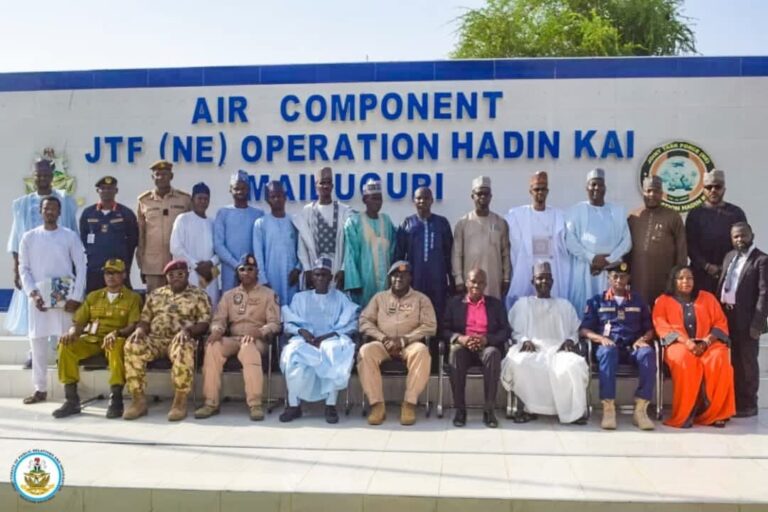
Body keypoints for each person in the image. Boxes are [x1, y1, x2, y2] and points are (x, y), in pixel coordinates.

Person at [6, 159, 78, 368]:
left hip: (58, 267)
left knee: (58, 309)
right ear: (34, 176)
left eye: (47, 174)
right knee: (35, 310)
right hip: (33, 268)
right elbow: (16, 239)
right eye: (39, 174)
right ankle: (33, 355)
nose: (43, 178)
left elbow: (73, 233)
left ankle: (58, 352)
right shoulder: (21, 204)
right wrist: (16, 269)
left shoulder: (64, 199)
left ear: (53, 176)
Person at [194, 254, 280, 421]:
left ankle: (255, 404)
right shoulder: (229, 295)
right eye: (242, 269)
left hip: (257, 340)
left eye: (250, 269)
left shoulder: (268, 294)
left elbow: (275, 323)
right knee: (212, 346)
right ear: (237, 273)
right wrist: (217, 330)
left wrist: (259, 332)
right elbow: (219, 319)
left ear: (257, 272)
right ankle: (210, 402)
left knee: (248, 348)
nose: (246, 272)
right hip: (234, 338)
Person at [122, 260, 211, 421]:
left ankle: (180, 401)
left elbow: (204, 323)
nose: (176, 278)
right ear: (166, 277)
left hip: (181, 339)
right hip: (155, 339)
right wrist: (140, 330)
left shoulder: (199, 295)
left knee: (184, 348)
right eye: (171, 275)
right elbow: (145, 319)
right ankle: (138, 399)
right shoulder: (156, 294)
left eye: (180, 274)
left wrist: (188, 331)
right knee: (132, 344)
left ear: (187, 275)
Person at [18, 195, 86, 404]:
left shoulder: (69, 236)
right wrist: (32, 293)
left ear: (59, 212)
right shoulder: (29, 237)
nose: (50, 212)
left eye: (54, 209)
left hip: (65, 299)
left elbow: (81, 266)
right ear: (41, 211)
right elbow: (24, 268)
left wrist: (76, 296)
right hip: (39, 299)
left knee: (66, 342)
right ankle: (40, 389)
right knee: (37, 343)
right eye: (46, 208)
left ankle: (69, 387)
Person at [53, 259, 142, 419]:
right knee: (65, 345)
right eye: (108, 273)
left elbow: (133, 325)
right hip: (92, 340)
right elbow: (79, 322)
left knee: (115, 345)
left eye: (115, 273)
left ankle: (116, 399)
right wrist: (72, 332)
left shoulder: (132, 298)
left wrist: (117, 333)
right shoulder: (93, 297)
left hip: (116, 338)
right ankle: (71, 399)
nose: (111, 277)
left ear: (124, 275)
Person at [502, 262, 588, 424]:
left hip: (559, 350)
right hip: (533, 349)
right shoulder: (523, 304)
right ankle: (529, 408)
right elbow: (516, 330)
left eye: (547, 278)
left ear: (553, 282)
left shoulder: (564, 305)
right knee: (521, 363)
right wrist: (525, 340)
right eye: (540, 278)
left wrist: (570, 340)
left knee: (573, 365)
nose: (544, 282)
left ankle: (573, 412)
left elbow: (574, 330)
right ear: (532, 281)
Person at [652, 265, 735, 428]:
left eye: (689, 278)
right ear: (674, 281)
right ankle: (686, 413)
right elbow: (661, 326)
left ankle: (715, 413)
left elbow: (720, 322)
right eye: (681, 278)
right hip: (678, 344)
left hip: (707, 343)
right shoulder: (663, 301)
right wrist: (686, 342)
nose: (686, 281)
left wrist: (706, 341)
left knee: (718, 359)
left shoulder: (708, 298)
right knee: (685, 361)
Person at [279, 256, 359, 424]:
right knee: (292, 353)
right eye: (317, 275)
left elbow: (351, 324)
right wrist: (303, 332)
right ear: (311, 277)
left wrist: (328, 336)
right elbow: (289, 324)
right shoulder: (300, 298)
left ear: (331, 277)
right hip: (305, 341)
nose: (320, 278)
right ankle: (294, 405)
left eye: (324, 275)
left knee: (334, 351)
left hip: (331, 341)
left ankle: (330, 405)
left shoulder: (341, 298)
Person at [579, 261, 656, 430]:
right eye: (615, 276)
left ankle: (640, 410)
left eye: (623, 276)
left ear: (628, 278)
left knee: (648, 353)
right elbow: (584, 330)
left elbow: (650, 329)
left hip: (632, 348)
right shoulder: (597, 301)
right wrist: (600, 338)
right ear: (608, 279)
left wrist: (642, 339)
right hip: (608, 347)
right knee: (608, 352)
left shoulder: (638, 301)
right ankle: (608, 408)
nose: (619, 280)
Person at [358, 261, 436, 426]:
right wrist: (382, 338)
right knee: (365, 351)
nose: (398, 279)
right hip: (383, 345)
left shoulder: (421, 299)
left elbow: (430, 326)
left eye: (403, 275)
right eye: (394, 275)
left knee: (422, 351)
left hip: (409, 345)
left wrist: (405, 339)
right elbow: (364, 322)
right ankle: (377, 405)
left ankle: (409, 404)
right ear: (389, 278)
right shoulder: (379, 298)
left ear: (410, 278)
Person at [442, 268, 509, 428]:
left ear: (485, 284)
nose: (476, 285)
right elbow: (444, 329)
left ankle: (489, 410)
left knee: (493, 354)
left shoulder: (495, 304)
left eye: (480, 282)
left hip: (485, 347)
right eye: (473, 281)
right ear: (466, 283)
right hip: (464, 347)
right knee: (455, 352)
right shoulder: (454, 303)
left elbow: (505, 331)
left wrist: (486, 339)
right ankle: (460, 410)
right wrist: (461, 339)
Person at [717, 222, 768, 418]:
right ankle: (732, 401)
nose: (739, 240)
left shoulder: (761, 260)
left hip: (747, 319)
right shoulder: (729, 256)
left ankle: (748, 404)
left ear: (751, 235)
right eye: (736, 237)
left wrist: (758, 323)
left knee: (747, 362)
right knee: (732, 360)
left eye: (743, 236)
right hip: (726, 316)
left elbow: (764, 294)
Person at [565, 168, 632, 317]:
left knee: (609, 307)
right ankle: (583, 334)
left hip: (611, 269)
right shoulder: (575, 211)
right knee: (583, 307)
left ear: (605, 188)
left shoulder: (617, 211)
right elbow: (570, 240)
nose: (596, 188)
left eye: (600, 185)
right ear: (586, 188)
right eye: (593, 184)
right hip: (585, 268)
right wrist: (592, 258)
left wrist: (607, 260)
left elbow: (626, 242)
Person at [394, 186, 453, 338]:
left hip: (437, 282)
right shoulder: (407, 224)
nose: (422, 201)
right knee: (415, 317)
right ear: (414, 201)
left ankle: (439, 357)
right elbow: (399, 257)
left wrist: (452, 281)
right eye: (419, 198)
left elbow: (449, 254)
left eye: (426, 198)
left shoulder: (441, 223)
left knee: (438, 316)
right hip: (415, 282)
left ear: (432, 200)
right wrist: (400, 280)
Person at [505, 171, 570, 307]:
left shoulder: (558, 216)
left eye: (543, 188)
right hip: (526, 272)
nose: (540, 192)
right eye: (537, 189)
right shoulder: (517, 215)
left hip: (551, 274)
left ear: (547, 191)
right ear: (530, 191)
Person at [627, 175, 687, 307]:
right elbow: (626, 249)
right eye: (648, 191)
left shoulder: (673, 216)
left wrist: (679, 278)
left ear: (661, 194)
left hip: (665, 279)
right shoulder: (633, 216)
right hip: (638, 278)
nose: (652, 195)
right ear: (643, 192)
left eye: (656, 191)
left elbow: (682, 250)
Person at [686, 169, 748, 294]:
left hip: (730, 274)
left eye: (717, 187)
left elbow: (743, 242)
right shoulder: (695, 214)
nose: (713, 190)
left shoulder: (736, 213)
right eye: (709, 187)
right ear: (703, 190)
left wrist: (725, 267)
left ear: (724, 189)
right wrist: (706, 266)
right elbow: (690, 245)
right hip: (701, 275)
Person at [293, 166, 353, 290]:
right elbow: (302, 244)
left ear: (332, 186)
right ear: (316, 186)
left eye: (328, 183)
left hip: (336, 267)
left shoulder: (343, 211)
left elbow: (349, 245)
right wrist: (308, 269)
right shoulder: (308, 211)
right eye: (322, 183)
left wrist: (343, 269)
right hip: (315, 270)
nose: (325, 186)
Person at [136, 160, 191, 293]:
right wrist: (141, 264)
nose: (161, 177)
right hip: (153, 264)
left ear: (171, 176)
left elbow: (190, 232)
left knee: (180, 302)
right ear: (152, 177)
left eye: (165, 174)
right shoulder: (144, 201)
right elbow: (140, 235)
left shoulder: (184, 200)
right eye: (158, 174)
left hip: (178, 263)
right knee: (155, 304)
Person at [452, 176, 511, 300]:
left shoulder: (500, 222)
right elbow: (457, 253)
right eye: (479, 194)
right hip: (471, 281)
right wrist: (458, 279)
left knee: (492, 312)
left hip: (494, 279)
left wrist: (506, 278)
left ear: (491, 196)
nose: (482, 197)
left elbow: (505, 252)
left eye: (486, 193)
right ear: (473, 196)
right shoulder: (463, 223)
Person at [79, 176, 139, 293]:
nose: (106, 191)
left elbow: (133, 241)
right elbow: (84, 237)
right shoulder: (88, 213)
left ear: (116, 191)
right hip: (95, 269)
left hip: (118, 269)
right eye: (103, 188)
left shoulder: (126, 213)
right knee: (94, 302)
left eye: (110, 188)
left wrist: (125, 264)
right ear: (97, 191)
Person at [343, 180, 396, 306]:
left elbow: (394, 250)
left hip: (386, 283)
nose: (377, 202)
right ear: (365, 199)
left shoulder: (386, 220)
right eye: (374, 198)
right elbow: (350, 254)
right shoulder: (354, 222)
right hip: (364, 282)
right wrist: (354, 282)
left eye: (380, 198)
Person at [170, 182, 220, 308]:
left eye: (206, 199)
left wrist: (211, 263)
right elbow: (175, 247)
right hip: (189, 273)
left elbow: (220, 249)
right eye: (199, 198)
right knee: (189, 309)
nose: (203, 202)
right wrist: (196, 265)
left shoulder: (213, 223)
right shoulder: (183, 219)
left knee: (210, 307)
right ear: (192, 200)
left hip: (209, 274)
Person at [214, 170, 264, 292]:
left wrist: (248, 268)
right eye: (236, 188)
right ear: (230, 189)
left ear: (249, 189)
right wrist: (236, 265)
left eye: (243, 188)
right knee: (230, 305)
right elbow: (218, 245)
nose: (240, 192)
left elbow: (261, 246)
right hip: (229, 270)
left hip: (252, 272)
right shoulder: (223, 213)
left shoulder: (258, 214)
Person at [253, 181, 301, 306]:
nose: (276, 199)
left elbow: (302, 249)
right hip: (271, 277)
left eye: (279, 196)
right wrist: (263, 280)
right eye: (272, 196)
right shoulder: (261, 223)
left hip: (292, 277)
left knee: (292, 312)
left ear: (285, 197)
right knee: (272, 312)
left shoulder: (294, 221)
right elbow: (258, 254)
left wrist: (298, 269)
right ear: (267, 200)